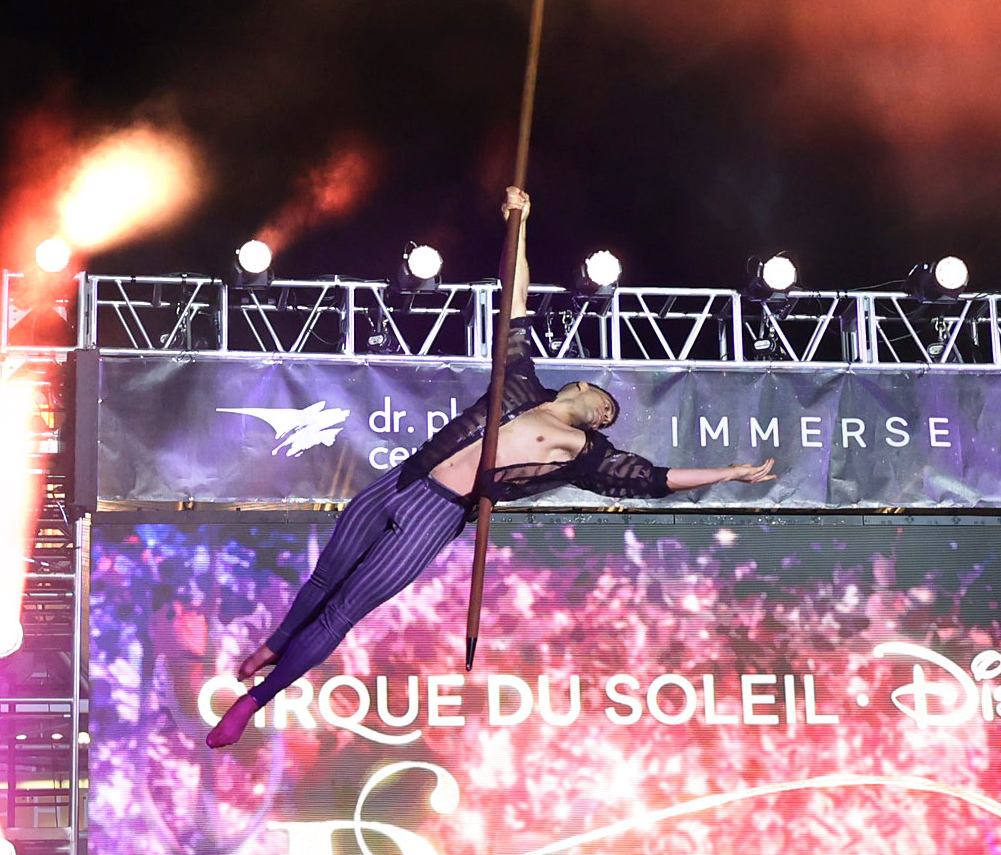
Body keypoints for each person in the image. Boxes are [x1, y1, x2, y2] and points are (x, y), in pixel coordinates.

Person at [208, 185, 775, 747]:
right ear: (578, 384)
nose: (607, 412)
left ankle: (253, 701)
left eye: (609, 417)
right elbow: (515, 295)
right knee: (324, 579)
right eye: (606, 401)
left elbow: (655, 480)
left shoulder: (585, 454)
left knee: (342, 612)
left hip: (436, 515)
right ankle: (274, 644)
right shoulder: (520, 379)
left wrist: (725, 472)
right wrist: (518, 222)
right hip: (403, 480)